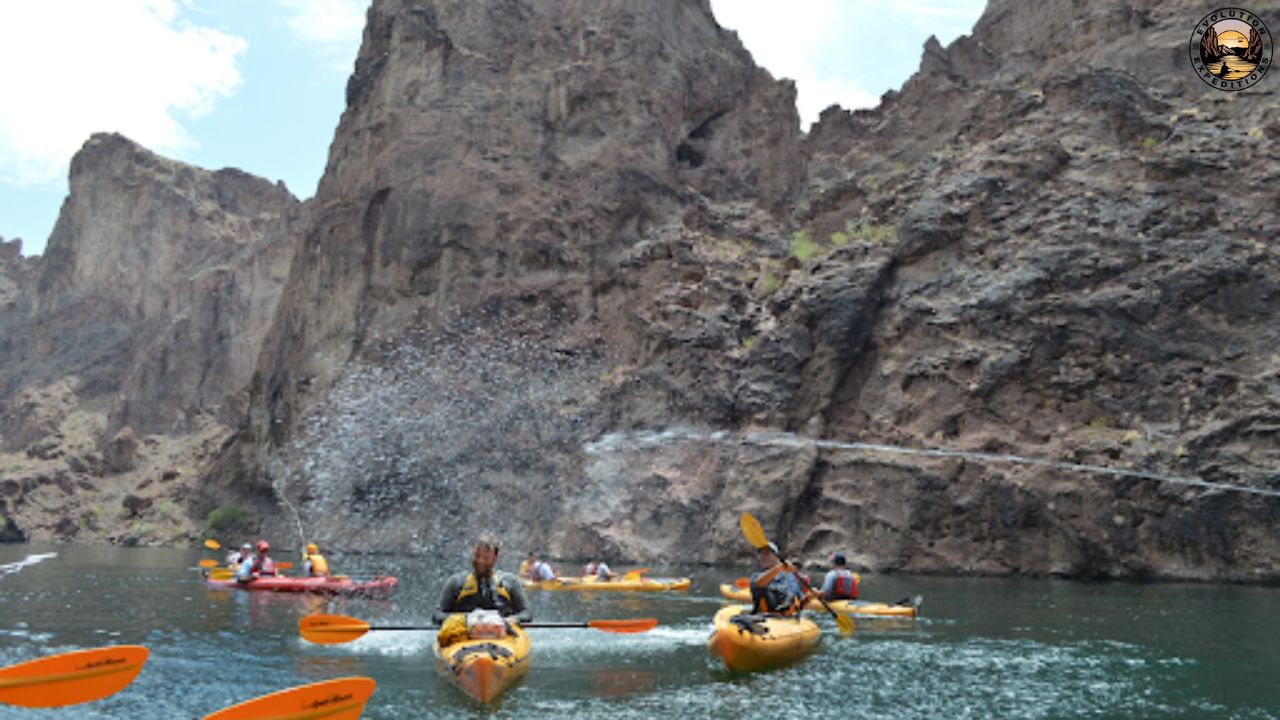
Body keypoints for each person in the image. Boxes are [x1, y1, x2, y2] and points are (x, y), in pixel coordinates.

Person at [432, 537, 532, 625]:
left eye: (485, 558)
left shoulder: (511, 582)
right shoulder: (456, 582)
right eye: (477, 556)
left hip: (501, 633)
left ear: (495, 558)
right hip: (463, 634)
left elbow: (527, 613)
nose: (480, 561)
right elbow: (437, 615)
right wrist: (465, 619)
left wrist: (513, 619)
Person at [749, 542, 814, 615]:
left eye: (767, 553)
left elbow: (799, 604)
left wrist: (809, 597)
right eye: (761, 554)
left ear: (776, 557)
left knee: (791, 596)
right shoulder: (755, 576)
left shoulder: (790, 577)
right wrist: (779, 568)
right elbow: (759, 583)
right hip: (763, 618)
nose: (763, 557)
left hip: (786, 620)